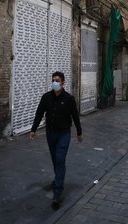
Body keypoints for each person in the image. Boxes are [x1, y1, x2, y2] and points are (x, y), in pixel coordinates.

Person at [29, 71, 83, 210]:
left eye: (57, 80)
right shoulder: (46, 97)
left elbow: (75, 116)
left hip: (64, 134)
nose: (55, 83)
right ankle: (57, 179)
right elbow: (39, 113)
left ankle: (57, 192)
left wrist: (79, 132)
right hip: (50, 134)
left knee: (60, 159)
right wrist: (33, 129)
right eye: (53, 80)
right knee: (54, 159)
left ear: (63, 82)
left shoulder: (69, 99)